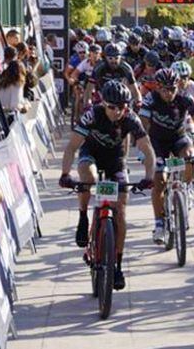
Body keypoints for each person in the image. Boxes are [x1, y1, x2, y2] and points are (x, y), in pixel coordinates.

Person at [59, 81, 156, 291]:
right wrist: (65, 174)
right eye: (112, 107)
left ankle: (117, 265)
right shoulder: (92, 115)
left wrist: (149, 176)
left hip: (115, 159)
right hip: (91, 153)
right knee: (89, 177)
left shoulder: (130, 118)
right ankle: (83, 216)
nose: (117, 111)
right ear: (103, 104)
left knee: (120, 210)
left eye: (122, 107)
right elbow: (72, 146)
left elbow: (147, 148)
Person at [138, 68, 194, 244]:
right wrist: (143, 150)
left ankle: (186, 188)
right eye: (164, 89)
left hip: (178, 138)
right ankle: (160, 223)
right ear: (157, 87)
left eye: (172, 88)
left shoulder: (185, 98)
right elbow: (143, 126)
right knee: (159, 180)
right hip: (157, 141)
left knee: (189, 157)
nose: (169, 93)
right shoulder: (150, 99)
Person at [85, 43, 141, 108]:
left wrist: (138, 101)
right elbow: (89, 87)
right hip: (102, 96)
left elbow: (134, 89)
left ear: (121, 57)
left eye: (116, 58)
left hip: (121, 97)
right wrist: (88, 103)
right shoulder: (99, 67)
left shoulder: (126, 68)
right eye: (110, 58)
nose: (113, 61)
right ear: (105, 57)